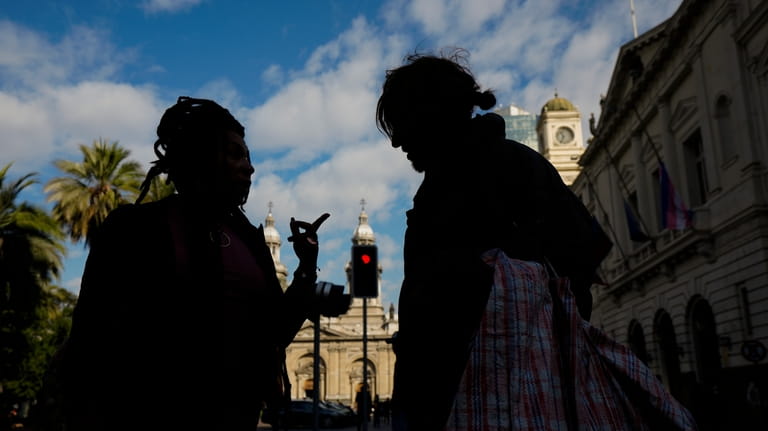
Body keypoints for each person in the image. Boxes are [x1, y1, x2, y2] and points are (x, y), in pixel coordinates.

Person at [50, 97, 329, 430]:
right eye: (235, 154)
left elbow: (274, 332)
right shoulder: (136, 228)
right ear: (201, 156)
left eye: (249, 157)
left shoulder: (250, 241)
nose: (249, 167)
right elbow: (90, 339)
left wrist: (306, 267)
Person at [376, 51, 611, 430]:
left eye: (400, 122)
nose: (396, 141)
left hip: (488, 399)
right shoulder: (443, 182)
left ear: (430, 113)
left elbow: (579, 264)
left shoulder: (502, 168)